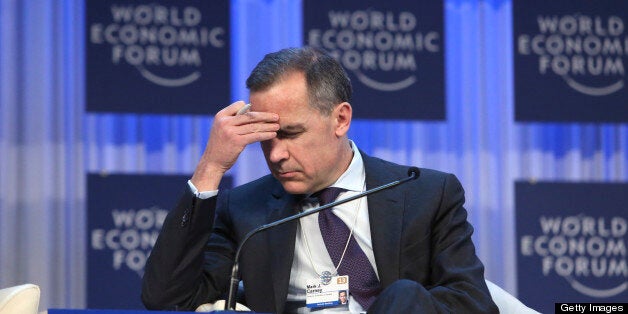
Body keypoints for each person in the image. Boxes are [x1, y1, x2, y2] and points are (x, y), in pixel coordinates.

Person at [141, 47, 498, 313]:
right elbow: (167, 299)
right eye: (265, 139)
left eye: (291, 133)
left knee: (404, 296)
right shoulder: (246, 212)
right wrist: (211, 166)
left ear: (340, 120)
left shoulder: (426, 194)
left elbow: (472, 304)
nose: (276, 154)